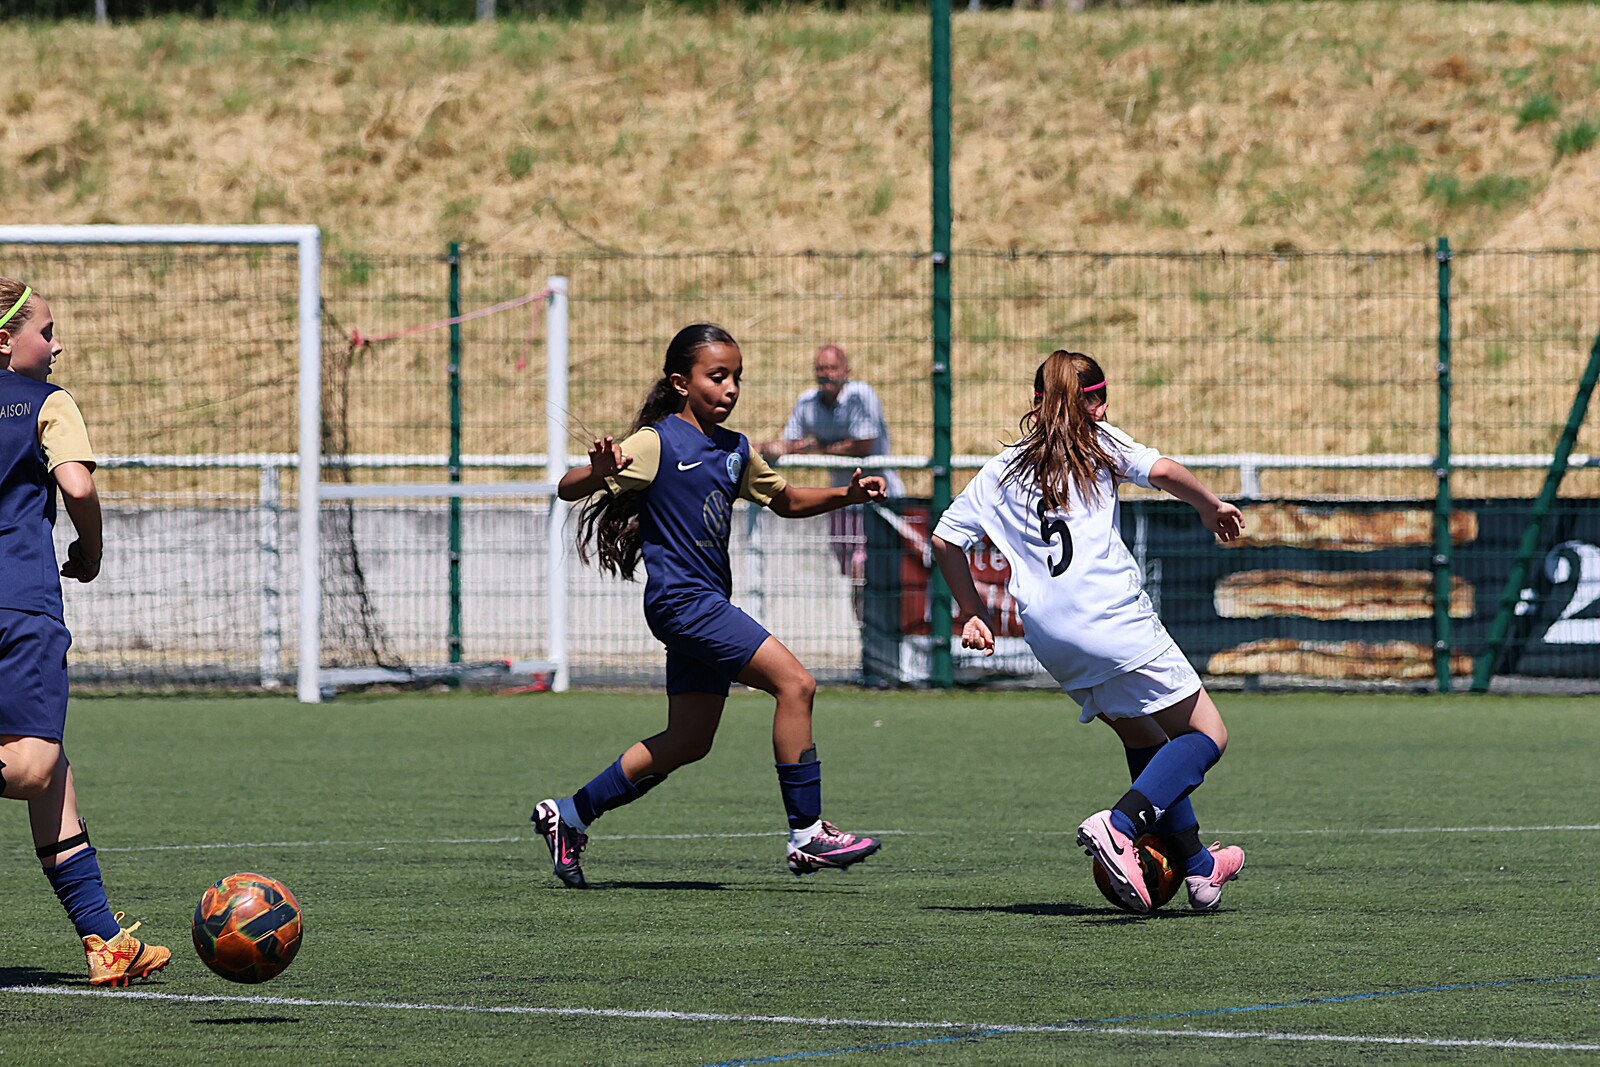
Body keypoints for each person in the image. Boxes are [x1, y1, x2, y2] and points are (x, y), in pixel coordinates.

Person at [531, 323, 885, 887]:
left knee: (689, 741)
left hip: (701, 604)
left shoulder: (735, 449)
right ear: (681, 383)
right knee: (796, 685)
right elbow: (568, 487)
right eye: (717, 376)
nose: (731, 388)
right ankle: (807, 834)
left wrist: (847, 493)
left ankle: (569, 815)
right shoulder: (657, 442)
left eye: (737, 377)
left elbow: (786, 500)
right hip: (683, 603)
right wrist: (597, 472)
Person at [929, 349, 1247, 914]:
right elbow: (1163, 471)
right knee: (1209, 734)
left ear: (1035, 402)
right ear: (1092, 403)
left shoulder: (1001, 469)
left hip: (1051, 635)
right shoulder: (1096, 442)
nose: (1103, 409)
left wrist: (972, 611)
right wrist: (1209, 505)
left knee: (1143, 739)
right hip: (1111, 617)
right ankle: (1119, 826)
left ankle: (1199, 868)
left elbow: (945, 540)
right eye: (1099, 398)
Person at [0, 278, 172, 984]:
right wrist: (91, 550)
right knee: (32, 766)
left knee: (53, 769)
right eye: (45, 331)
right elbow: (77, 484)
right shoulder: (47, 401)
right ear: (5, 340)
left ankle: (104, 939)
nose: (57, 344)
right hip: (18, 605)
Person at [759, 344, 903, 583]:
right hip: (842, 500)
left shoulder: (860, 396)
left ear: (846, 371)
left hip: (879, 500)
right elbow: (790, 441)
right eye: (821, 368)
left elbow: (863, 445)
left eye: (832, 368)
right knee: (849, 569)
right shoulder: (807, 401)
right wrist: (766, 447)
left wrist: (817, 447)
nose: (826, 374)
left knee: (878, 573)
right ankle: (861, 608)